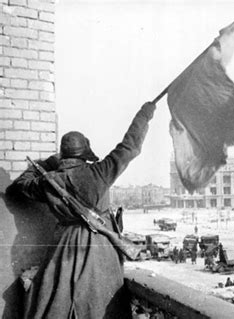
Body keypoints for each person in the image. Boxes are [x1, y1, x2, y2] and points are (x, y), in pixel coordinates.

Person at [6, 102, 156, 318]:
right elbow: (130, 147)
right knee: (101, 304)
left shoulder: (49, 181)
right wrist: (144, 115)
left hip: (64, 246)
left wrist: (50, 163)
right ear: (85, 152)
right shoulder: (99, 172)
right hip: (99, 247)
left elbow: (22, 183)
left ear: (63, 154)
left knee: (55, 304)